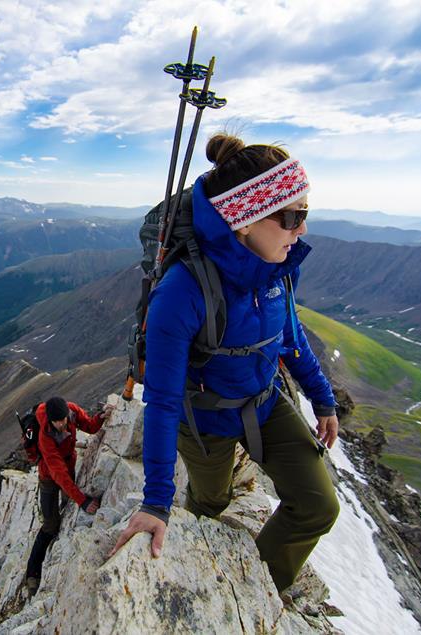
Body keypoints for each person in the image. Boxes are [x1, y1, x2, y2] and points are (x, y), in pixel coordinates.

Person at [110, 134, 340, 593]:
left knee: (318, 505)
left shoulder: (277, 266)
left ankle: (254, 591)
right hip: (204, 419)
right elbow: (162, 400)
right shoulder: (182, 292)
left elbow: (289, 337)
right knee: (210, 502)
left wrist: (323, 400)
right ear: (245, 222)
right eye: (293, 217)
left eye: (305, 214)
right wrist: (156, 503)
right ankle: (201, 543)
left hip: (264, 401)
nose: (303, 230)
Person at [25, 396, 113, 593]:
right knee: (50, 524)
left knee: (67, 506)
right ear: (50, 419)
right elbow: (58, 474)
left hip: (69, 464)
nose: (62, 423)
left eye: (63, 419)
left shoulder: (71, 411)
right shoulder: (45, 436)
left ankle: (63, 525)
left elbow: (89, 427)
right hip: (48, 475)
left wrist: (100, 416)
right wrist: (82, 500)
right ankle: (32, 573)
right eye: (57, 421)